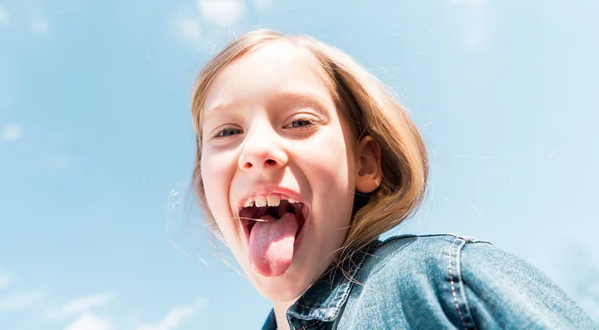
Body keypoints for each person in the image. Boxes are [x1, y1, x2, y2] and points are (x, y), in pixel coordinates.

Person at [189, 29, 596, 329]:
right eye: (226, 132)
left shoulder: (435, 285)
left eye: (299, 121)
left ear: (365, 163)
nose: (257, 150)